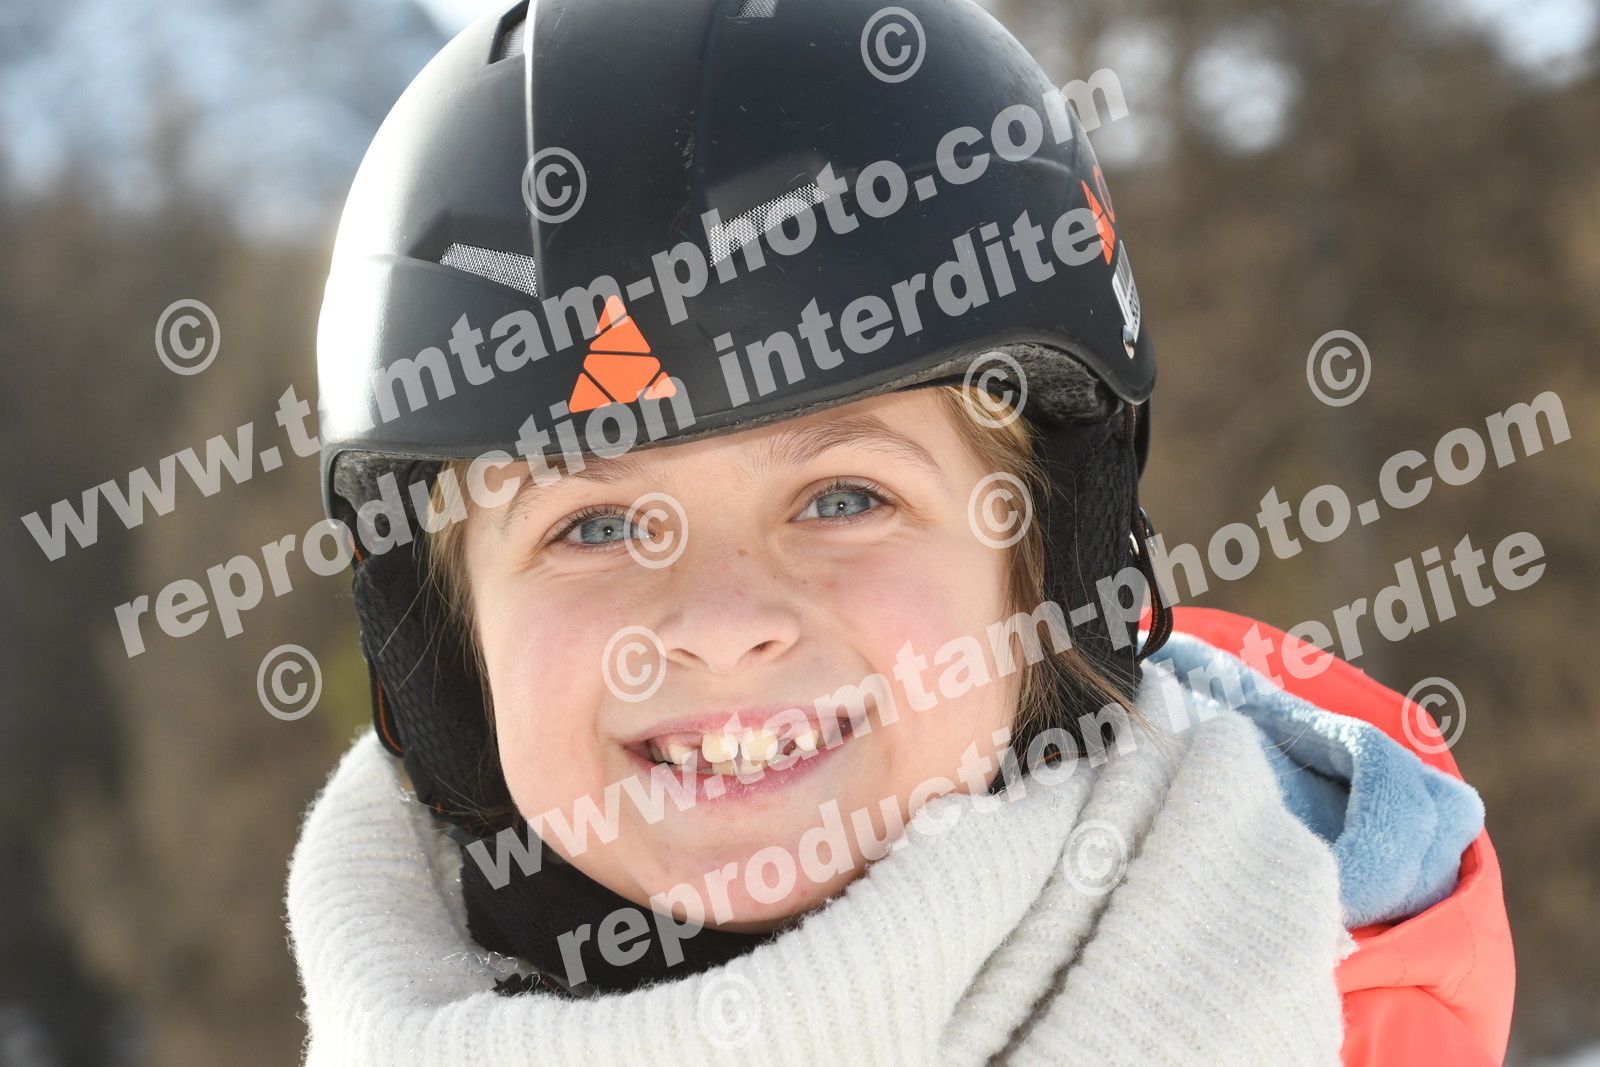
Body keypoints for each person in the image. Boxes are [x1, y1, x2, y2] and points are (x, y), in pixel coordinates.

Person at [285, 0, 1515, 1063]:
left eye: (843, 499)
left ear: (1046, 563)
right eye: (594, 523)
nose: (719, 623)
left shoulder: (1339, 1026)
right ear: (447, 648)